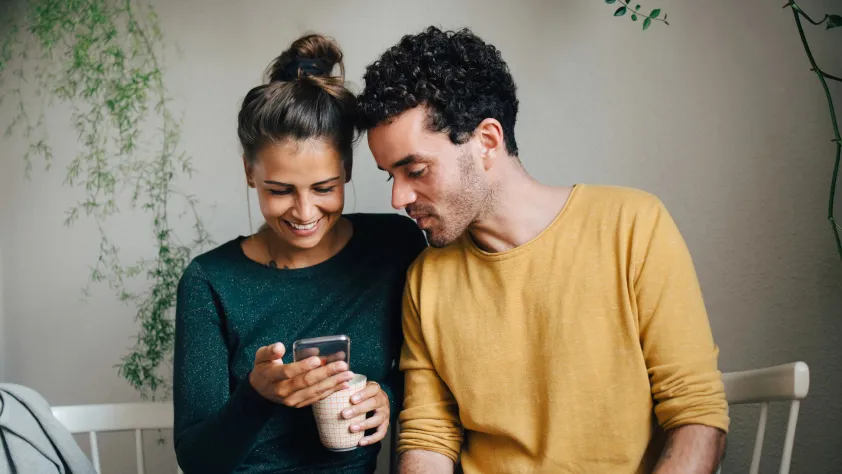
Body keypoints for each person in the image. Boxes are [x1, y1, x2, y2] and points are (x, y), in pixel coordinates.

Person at [356, 27, 729, 474]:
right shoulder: (427, 277)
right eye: (389, 176)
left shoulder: (631, 225)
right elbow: (429, 433)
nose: (398, 199)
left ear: (487, 141)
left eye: (415, 170)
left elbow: (696, 412)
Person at [173, 34, 426, 474]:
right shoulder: (209, 282)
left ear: (347, 169)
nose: (305, 212)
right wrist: (257, 395)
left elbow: (426, 377)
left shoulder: (393, 248)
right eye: (279, 190)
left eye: (325, 188)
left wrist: (385, 398)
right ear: (250, 174)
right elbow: (198, 461)